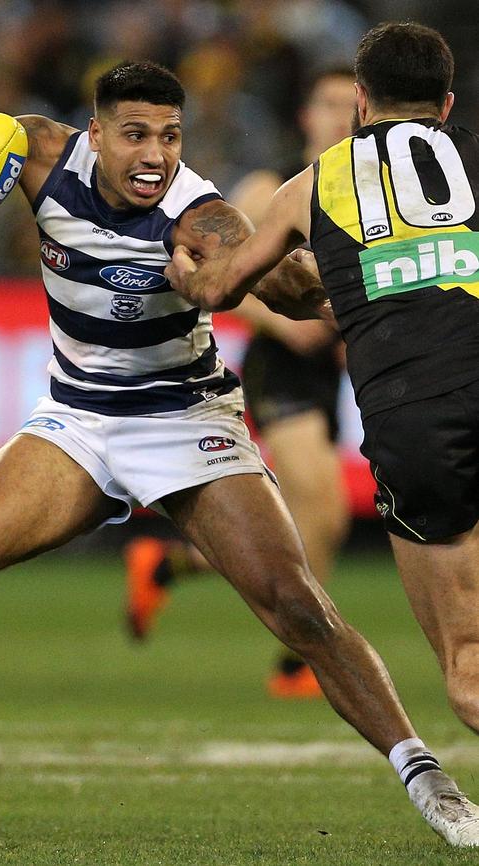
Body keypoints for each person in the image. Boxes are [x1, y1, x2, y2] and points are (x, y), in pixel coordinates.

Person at [0, 61, 475, 847]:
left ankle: (430, 782)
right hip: (77, 418)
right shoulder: (35, 150)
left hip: (185, 417)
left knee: (298, 604)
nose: (156, 155)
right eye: (136, 134)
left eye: (170, 137)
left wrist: (306, 275)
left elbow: (281, 288)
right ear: (94, 134)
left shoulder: (196, 213)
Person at [167, 21, 479, 842]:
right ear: (447, 107)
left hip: (421, 428)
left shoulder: (311, 185)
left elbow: (222, 287)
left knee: (469, 671)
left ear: (362, 104)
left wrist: (181, 264)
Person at [125, 68, 356, 700]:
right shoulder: (268, 189)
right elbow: (218, 272)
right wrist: (286, 323)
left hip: (330, 366)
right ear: (306, 116)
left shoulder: (363, 190)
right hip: (281, 362)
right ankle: (299, 663)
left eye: (350, 106)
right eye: (328, 104)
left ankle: (171, 565)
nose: (340, 117)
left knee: (318, 523)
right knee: (325, 507)